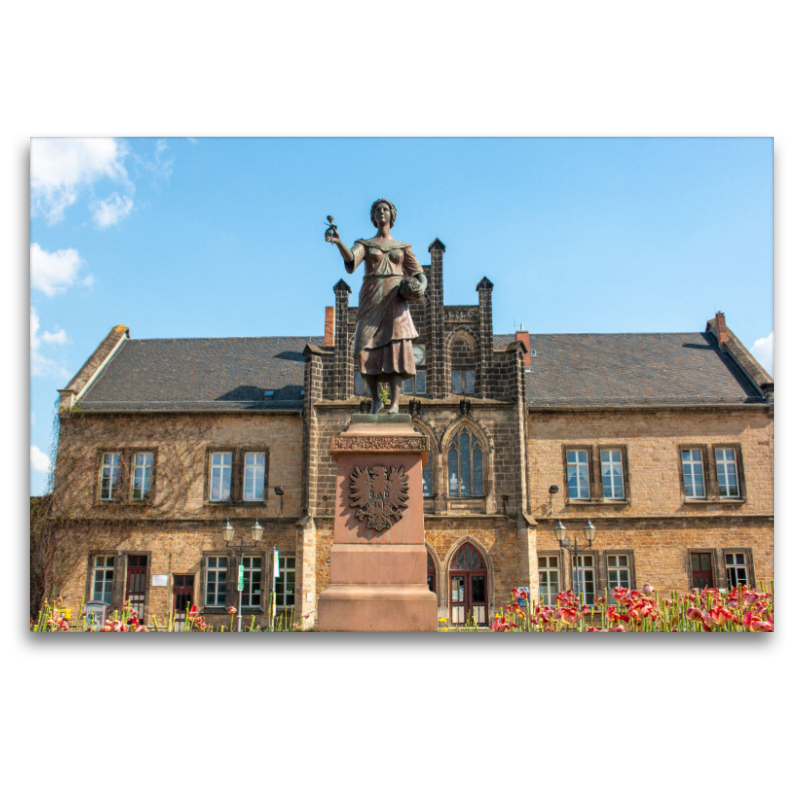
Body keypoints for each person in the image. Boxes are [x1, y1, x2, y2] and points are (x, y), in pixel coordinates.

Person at [328, 199, 427, 414]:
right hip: (371, 297)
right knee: (363, 349)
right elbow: (352, 260)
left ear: (391, 215)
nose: (381, 212)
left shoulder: (403, 247)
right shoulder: (365, 243)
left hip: (396, 298)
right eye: (377, 210)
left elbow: (420, 275)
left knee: (396, 350)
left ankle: (394, 404)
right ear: (373, 217)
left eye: (385, 209)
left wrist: (420, 288)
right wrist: (338, 242)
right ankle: (376, 399)